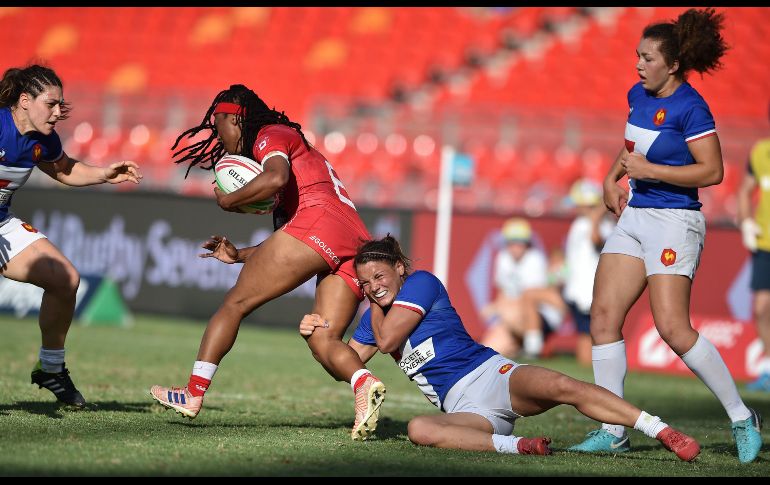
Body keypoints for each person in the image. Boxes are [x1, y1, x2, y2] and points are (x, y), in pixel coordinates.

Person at [300, 235, 701, 461]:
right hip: (465, 410)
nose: (373, 287)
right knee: (418, 429)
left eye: (379, 277)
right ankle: (520, 446)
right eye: (365, 283)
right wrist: (318, 338)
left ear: (400, 268)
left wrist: (368, 303)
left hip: (493, 375)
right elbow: (347, 368)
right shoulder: (377, 313)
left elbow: (386, 342)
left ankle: (661, 430)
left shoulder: (419, 283)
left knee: (565, 386)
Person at [567, 9, 763, 464]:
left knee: (673, 329)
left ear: (672, 64)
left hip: (676, 222)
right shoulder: (639, 93)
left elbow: (712, 171)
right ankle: (612, 429)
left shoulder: (692, 107)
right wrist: (609, 177)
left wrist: (648, 171)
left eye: (647, 57)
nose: (638, 64)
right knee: (602, 318)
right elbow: (634, 143)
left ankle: (741, 416)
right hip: (635, 216)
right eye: (637, 55)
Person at [149, 84, 386, 441]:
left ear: (234, 118)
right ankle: (365, 384)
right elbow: (289, 241)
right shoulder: (293, 149)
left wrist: (228, 203)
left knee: (234, 303)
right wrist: (240, 255)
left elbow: (276, 179)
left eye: (219, 126)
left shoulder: (270, 135)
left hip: (319, 222)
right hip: (352, 240)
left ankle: (193, 392)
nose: (219, 136)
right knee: (323, 340)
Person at [0, 64, 143, 407]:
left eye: (60, 105)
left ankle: (51, 369)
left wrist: (104, 174)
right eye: (50, 104)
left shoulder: (43, 140)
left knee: (65, 279)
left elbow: (64, 170)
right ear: (24, 100)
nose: (57, 112)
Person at [480, 217, 565, 358]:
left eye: (520, 243)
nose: (516, 247)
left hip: (540, 316)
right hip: (513, 313)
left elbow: (531, 298)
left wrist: (499, 307)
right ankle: (519, 346)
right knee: (489, 349)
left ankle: (533, 346)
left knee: (512, 311)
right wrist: (500, 307)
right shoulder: (503, 258)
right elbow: (502, 291)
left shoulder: (534, 259)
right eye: (512, 242)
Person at [562, 179, 615, 366]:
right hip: (579, 288)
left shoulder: (598, 224)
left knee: (589, 333)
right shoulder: (580, 223)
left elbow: (596, 240)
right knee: (584, 333)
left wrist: (596, 217)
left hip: (588, 290)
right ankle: (586, 367)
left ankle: (588, 367)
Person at [736, 106, 770, 392]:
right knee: (761, 308)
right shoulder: (760, 153)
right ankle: (769, 369)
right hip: (765, 243)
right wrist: (747, 221)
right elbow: (745, 190)